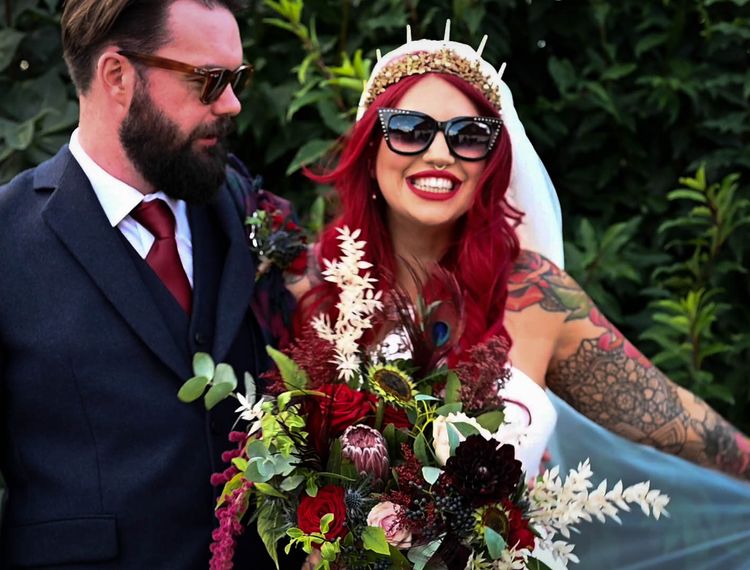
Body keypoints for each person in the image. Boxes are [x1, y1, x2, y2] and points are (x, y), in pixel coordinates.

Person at [288, 24, 750, 569]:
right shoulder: (314, 287)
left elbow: (674, 421)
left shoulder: (536, 297)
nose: (439, 153)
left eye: (469, 135)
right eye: (409, 129)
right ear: (370, 147)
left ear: (492, 160)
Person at [0, 1, 295, 568]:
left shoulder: (243, 207)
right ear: (118, 76)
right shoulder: (8, 239)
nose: (232, 103)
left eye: (237, 78)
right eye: (209, 80)